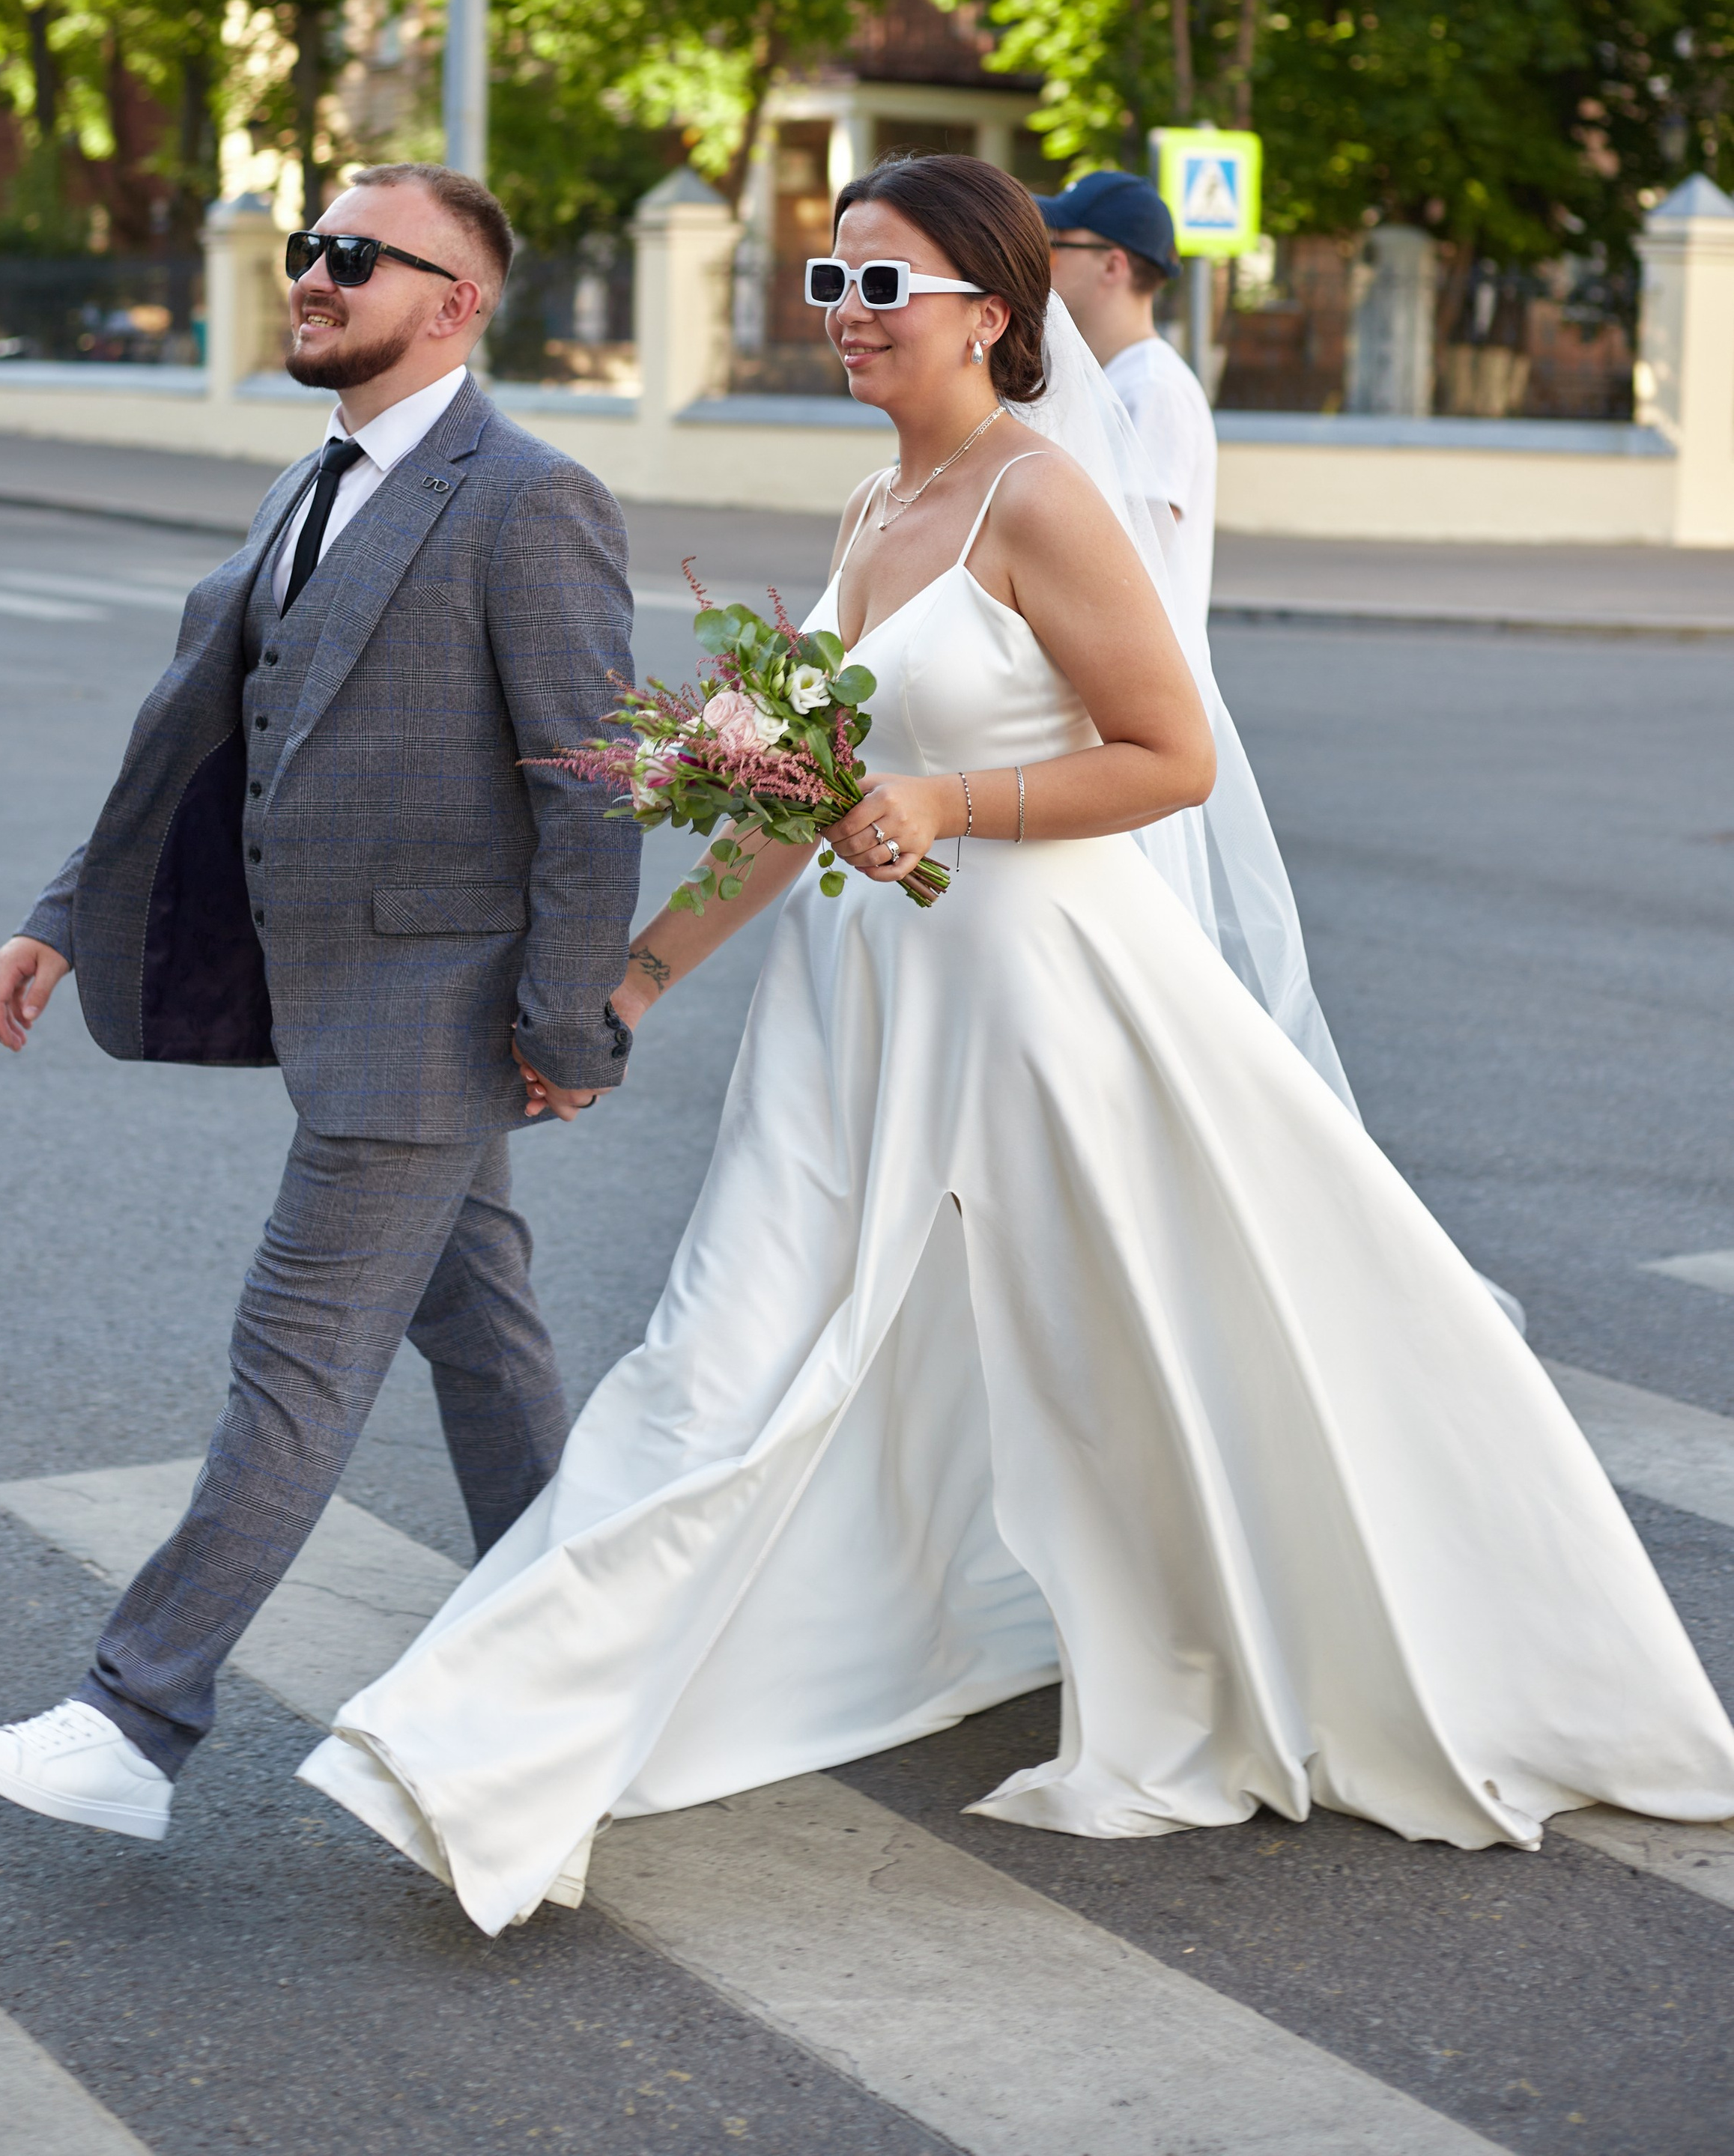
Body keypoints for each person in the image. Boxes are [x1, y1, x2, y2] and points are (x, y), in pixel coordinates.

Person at [297, 155, 1734, 1934]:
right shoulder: (868, 505)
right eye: (827, 285)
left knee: (1141, 1353)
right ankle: (478, 1743)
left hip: (1048, 998)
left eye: (878, 287)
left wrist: (948, 795)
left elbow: (1168, 754)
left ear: (991, 310)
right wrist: (646, 974)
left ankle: (1315, 1624)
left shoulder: (1041, 500)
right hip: (858, 1005)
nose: (843, 317)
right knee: (723, 1351)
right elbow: (805, 790)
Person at [0, 162, 640, 1844]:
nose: (309, 276)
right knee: (484, 1345)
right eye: (309, 250)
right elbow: (203, 726)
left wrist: (561, 1030)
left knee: (294, 1361)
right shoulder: (312, 478)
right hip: (346, 1000)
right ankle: (595, 1670)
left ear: (454, 302)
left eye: (349, 256)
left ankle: (132, 1719)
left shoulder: (525, 499)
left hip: (429, 1016)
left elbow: (589, 788)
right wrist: (64, 913)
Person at [1040, 171, 1217, 649]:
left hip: (1136, 682)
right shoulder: (1105, 377)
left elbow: (1133, 558)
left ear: (1113, 265)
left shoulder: (1153, 386)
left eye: (1056, 247)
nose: (1041, 260)